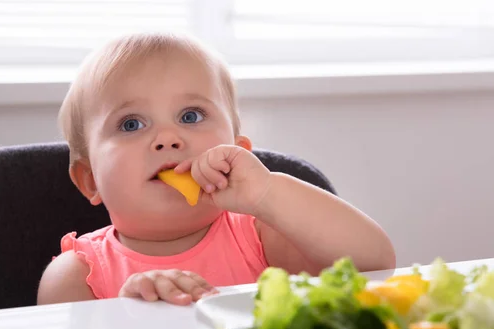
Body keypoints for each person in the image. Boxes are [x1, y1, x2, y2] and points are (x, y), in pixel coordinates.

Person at [37, 33, 396, 306]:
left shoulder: (262, 236)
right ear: (90, 180)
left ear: (238, 152)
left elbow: (374, 264)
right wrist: (125, 316)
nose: (168, 138)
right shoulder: (76, 276)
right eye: (131, 124)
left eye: (190, 116)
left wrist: (266, 192)